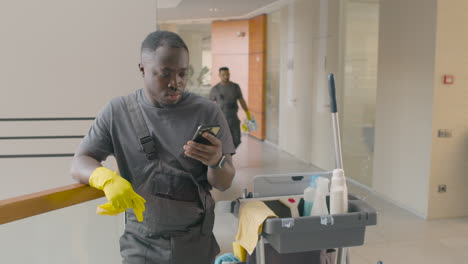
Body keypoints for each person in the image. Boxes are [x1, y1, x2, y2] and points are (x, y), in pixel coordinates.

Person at [70, 31, 236, 264]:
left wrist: (216, 161)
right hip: (141, 244)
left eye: (182, 73)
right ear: (142, 69)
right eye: (164, 73)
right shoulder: (118, 112)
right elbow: (80, 161)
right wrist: (105, 179)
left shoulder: (207, 112)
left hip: (195, 240)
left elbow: (224, 182)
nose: (175, 83)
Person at [209, 67, 251, 149]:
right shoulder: (215, 89)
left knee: (237, 140)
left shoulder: (235, 87)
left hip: (234, 119)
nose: (226, 76)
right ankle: (226, 157)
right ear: (219, 75)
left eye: (227, 74)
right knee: (222, 141)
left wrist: (248, 113)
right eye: (223, 75)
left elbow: (241, 100)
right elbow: (210, 105)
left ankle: (229, 153)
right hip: (221, 120)